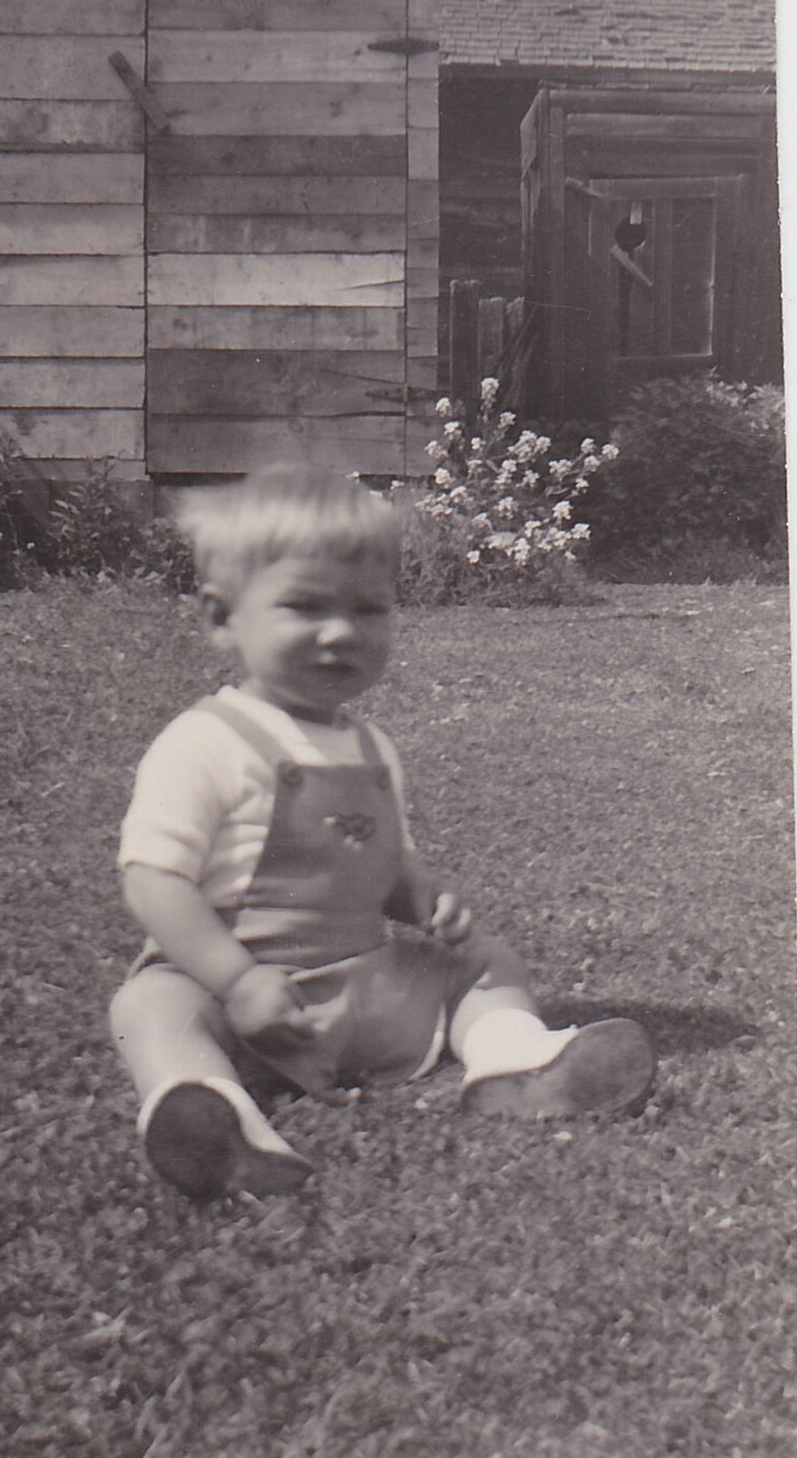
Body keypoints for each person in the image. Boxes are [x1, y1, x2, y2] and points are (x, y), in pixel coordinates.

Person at [110, 465, 655, 1202]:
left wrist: (422, 896)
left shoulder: (370, 748)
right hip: (241, 1001)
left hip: (361, 993)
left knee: (483, 963)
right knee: (149, 1006)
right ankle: (212, 1109)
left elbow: (380, 860)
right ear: (221, 617)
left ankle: (513, 1059)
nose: (341, 632)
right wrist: (234, 980)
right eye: (305, 606)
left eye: (368, 609)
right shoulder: (205, 742)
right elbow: (153, 879)